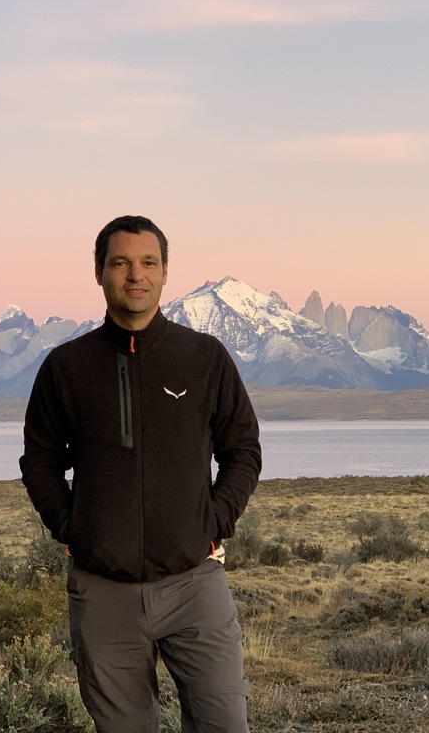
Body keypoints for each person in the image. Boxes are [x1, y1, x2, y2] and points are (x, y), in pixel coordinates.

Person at [20, 215, 262, 732]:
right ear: (99, 272)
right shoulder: (66, 366)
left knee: (225, 724)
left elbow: (242, 449)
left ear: (166, 272)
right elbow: (39, 459)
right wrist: (72, 527)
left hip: (195, 585)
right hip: (103, 593)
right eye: (121, 263)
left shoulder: (204, 358)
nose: (136, 275)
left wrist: (214, 521)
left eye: (148, 263)